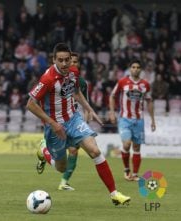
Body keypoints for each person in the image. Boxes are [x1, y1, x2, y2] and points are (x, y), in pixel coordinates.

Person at [26, 43, 131, 206]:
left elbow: (76, 92)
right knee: (61, 167)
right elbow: (30, 104)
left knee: (95, 151)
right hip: (55, 127)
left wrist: (90, 109)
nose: (64, 63)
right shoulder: (47, 79)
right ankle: (43, 150)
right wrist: (53, 124)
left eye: (67, 60)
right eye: (60, 60)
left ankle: (114, 194)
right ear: (54, 60)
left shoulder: (73, 72)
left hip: (74, 119)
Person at [36, 52, 89, 191]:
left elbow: (84, 102)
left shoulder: (80, 81)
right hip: (57, 121)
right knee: (63, 159)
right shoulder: (51, 78)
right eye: (71, 61)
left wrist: (86, 118)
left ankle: (64, 182)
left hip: (73, 120)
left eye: (75, 62)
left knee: (73, 151)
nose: (72, 64)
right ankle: (44, 151)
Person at [109, 59, 156, 181]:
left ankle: (135, 174)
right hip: (125, 119)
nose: (135, 69)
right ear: (130, 69)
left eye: (138, 67)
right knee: (127, 144)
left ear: (141, 70)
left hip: (139, 120)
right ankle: (126, 169)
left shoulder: (145, 84)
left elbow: (149, 101)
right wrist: (112, 112)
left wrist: (153, 119)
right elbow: (112, 96)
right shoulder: (122, 82)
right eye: (133, 67)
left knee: (136, 148)